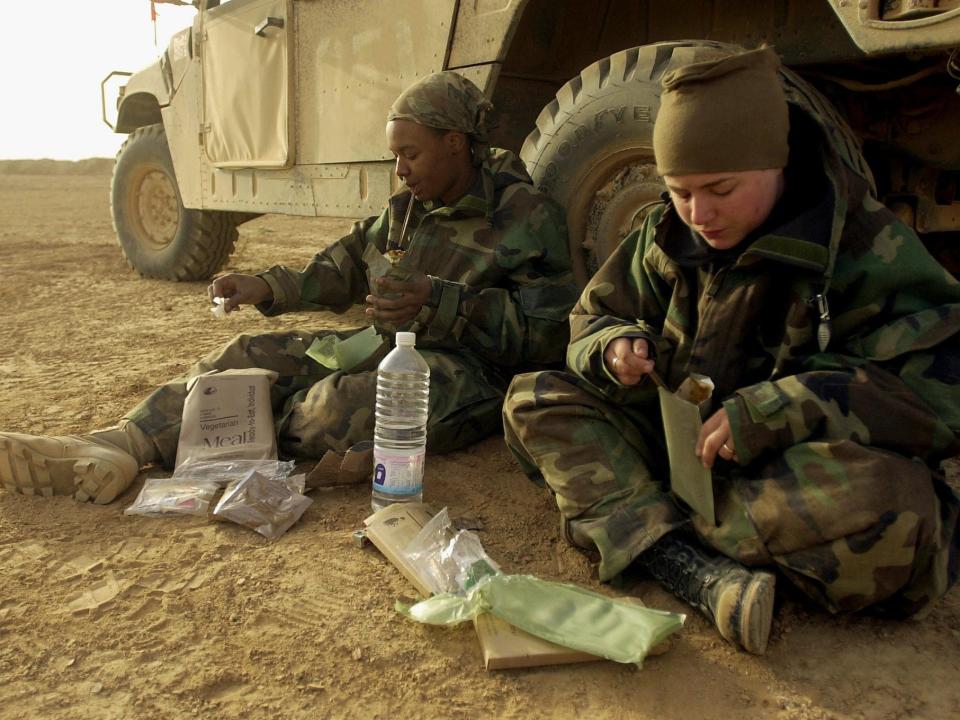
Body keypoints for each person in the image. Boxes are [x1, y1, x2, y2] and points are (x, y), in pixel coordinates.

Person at [503, 47, 960, 655]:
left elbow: (940, 393)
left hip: (779, 473)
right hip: (676, 445)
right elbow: (592, 315)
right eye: (679, 191)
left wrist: (781, 409)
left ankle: (634, 517)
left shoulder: (864, 248)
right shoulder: (665, 234)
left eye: (720, 189)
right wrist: (612, 347)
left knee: (897, 510)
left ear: (775, 163)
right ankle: (686, 564)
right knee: (534, 398)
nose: (699, 213)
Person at [0, 71, 577, 504]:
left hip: (467, 371)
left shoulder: (524, 215)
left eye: (411, 153)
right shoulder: (407, 209)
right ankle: (120, 442)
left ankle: (195, 442)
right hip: (387, 345)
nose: (400, 168)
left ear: (456, 143)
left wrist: (440, 301)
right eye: (395, 153)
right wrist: (266, 287)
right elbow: (343, 266)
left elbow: (550, 336)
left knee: (330, 410)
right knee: (244, 355)